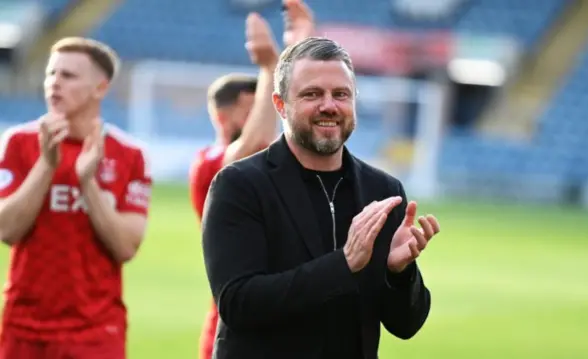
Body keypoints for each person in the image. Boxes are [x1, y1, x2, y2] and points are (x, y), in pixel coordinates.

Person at [202, 36, 441, 359]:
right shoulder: (239, 184)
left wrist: (399, 274)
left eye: (340, 94)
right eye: (312, 94)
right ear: (280, 104)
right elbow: (239, 304)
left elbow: (406, 324)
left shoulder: (384, 192)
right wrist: (343, 265)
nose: (329, 105)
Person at [0, 37, 152, 359]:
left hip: (95, 331)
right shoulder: (18, 143)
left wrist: (87, 182)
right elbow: (7, 230)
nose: (54, 83)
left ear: (100, 88)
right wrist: (46, 166)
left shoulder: (130, 154)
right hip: (23, 327)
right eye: (51, 73)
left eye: (68, 76)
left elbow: (126, 246)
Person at [188, 1, 315, 358]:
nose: (269, 113)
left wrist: (299, 46)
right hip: (233, 329)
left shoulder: (277, 165)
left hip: (289, 323)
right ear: (225, 115)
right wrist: (269, 67)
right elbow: (250, 147)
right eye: (255, 106)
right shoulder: (209, 164)